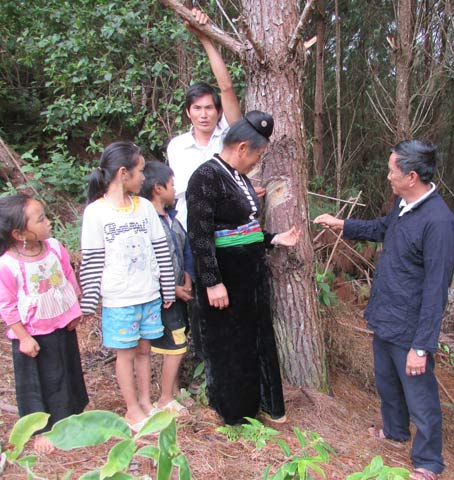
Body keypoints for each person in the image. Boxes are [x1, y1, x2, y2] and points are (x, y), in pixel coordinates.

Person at [314, 140, 454, 480]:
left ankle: (428, 462)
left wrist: (421, 346)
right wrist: (342, 225)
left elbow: (436, 290)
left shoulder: (439, 222)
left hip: (411, 329)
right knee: (388, 383)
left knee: (420, 397)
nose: (388, 176)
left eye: (393, 170)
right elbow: (381, 229)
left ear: (411, 176)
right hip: (386, 317)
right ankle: (395, 432)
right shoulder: (403, 206)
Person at [186, 110, 299, 425]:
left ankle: (260, 403)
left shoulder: (239, 177)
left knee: (255, 341)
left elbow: (244, 230)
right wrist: (212, 282)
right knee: (230, 346)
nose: (257, 162)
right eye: (257, 155)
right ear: (241, 148)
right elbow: (199, 234)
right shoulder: (206, 177)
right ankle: (234, 413)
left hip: (251, 277)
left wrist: (275, 239)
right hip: (226, 280)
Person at [79, 141, 176, 432]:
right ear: (123, 173)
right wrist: (88, 302)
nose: (144, 177)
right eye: (140, 171)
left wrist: (167, 289)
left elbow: (161, 250)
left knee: (146, 349)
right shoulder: (96, 213)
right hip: (119, 298)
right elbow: (93, 260)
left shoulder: (144, 207)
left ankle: (146, 402)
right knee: (126, 353)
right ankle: (132, 409)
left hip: (148, 294)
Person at [0, 194, 88, 453]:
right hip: (32, 334)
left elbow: (68, 278)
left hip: (61, 326)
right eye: (41, 219)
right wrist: (23, 337)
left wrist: (74, 310)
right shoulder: (8, 265)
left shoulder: (54, 248)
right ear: (19, 233)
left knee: (67, 372)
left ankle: (71, 417)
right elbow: (6, 305)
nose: (48, 222)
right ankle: (42, 430)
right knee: (40, 383)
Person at [167, 7, 243, 230]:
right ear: (188, 112)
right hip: (189, 229)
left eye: (209, 108)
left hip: (226, 229)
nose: (203, 114)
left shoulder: (229, 136)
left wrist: (206, 37)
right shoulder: (177, 146)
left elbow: (226, 88)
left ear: (219, 112)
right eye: (197, 108)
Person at [140, 160, 195, 416]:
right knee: (176, 346)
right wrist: (171, 289)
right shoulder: (146, 222)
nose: (175, 190)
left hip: (180, 293)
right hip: (164, 299)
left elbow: (185, 251)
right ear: (158, 188)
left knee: (176, 343)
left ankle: (172, 392)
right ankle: (164, 398)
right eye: (172, 185)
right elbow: (147, 262)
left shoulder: (172, 219)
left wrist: (187, 278)